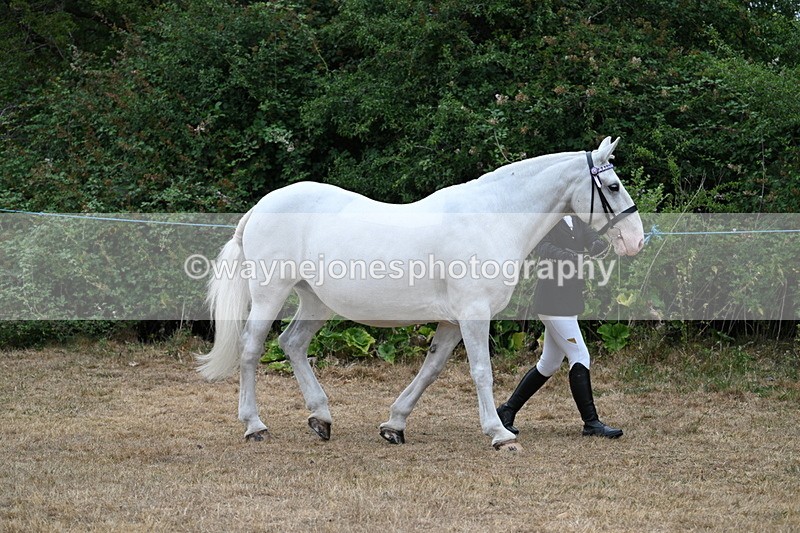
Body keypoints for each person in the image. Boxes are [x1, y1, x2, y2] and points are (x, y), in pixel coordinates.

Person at [496, 215, 623, 438]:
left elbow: (591, 236)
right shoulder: (548, 221)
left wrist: (596, 244)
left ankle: (507, 411)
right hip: (552, 301)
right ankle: (591, 423)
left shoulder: (576, 220)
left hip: (570, 300)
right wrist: (568, 256)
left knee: (548, 364)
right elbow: (542, 247)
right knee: (580, 355)